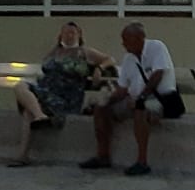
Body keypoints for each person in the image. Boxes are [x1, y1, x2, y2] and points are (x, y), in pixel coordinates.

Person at [80, 21, 184, 177]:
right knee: (102, 110)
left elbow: (158, 74)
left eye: (126, 40)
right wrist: (106, 101)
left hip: (160, 99)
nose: (123, 44)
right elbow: (123, 88)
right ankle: (103, 156)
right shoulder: (128, 59)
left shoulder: (157, 47)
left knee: (140, 109)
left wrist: (141, 98)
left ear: (140, 38)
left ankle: (142, 161)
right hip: (133, 99)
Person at [8, 21, 115, 167]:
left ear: (79, 35)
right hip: (47, 92)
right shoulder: (55, 52)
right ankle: (24, 153)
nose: (69, 35)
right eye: (65, 32)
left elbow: (110, 59)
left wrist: (99, 68)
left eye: (72, 32)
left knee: (23, 91)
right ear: (60, 35)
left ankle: (40, 117)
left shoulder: (84, 52)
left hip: (66, 98)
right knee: (26, 105)